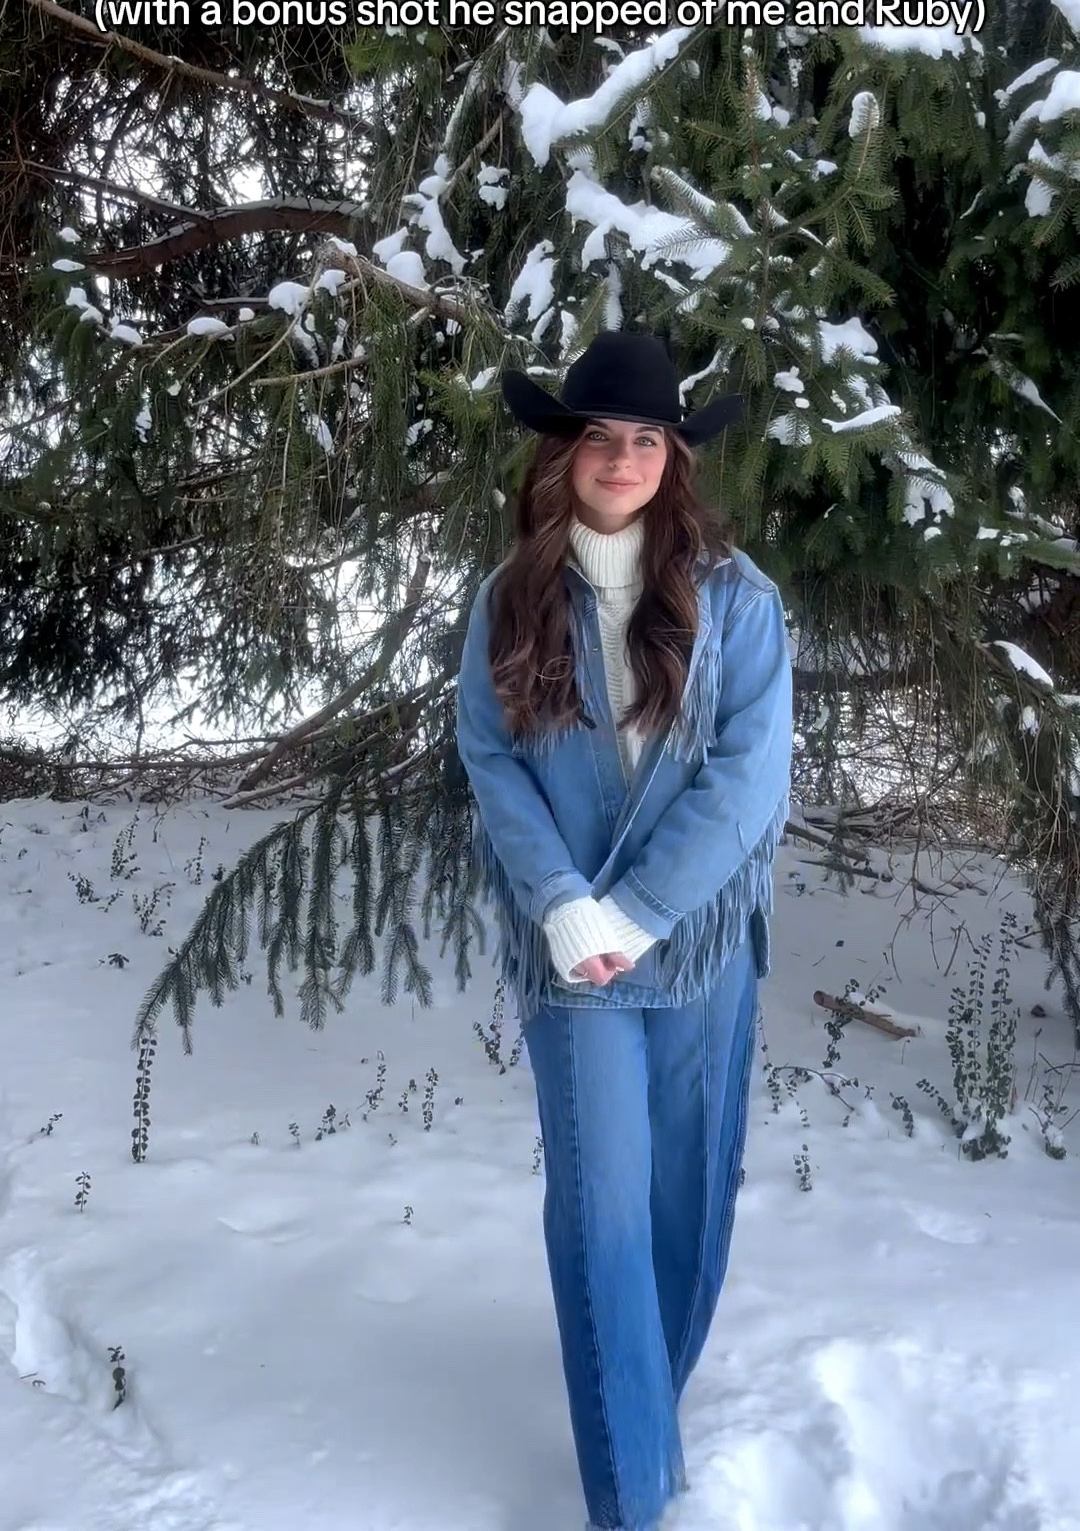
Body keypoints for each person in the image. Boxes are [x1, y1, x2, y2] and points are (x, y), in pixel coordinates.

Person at [454, 329, 793, 1531]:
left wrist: (641, 910)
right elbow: (491, 763)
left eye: (647, 439)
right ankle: (631, 1501)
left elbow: (749, 779)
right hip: (574, 957)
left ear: (675, 458)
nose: (623, 458)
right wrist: (564, 903)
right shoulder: (509, 602)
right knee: (602, 1212)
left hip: (693, 945)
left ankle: (643, 1412)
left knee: (685, 1206)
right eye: (600, 435)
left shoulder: (740, 605)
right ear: (563, 452)